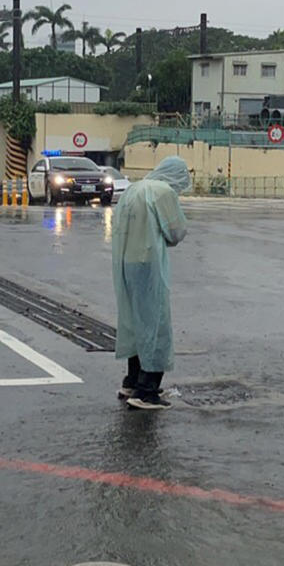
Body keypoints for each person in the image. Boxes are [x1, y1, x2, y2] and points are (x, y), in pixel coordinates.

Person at [111, 156, 191, 410]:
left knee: (134, 322)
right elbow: (175, 232)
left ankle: (131, 380)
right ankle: (146, 390)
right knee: (155, 324)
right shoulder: (163, 192)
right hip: (148, 262)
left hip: (125, 262)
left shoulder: (134, 188)